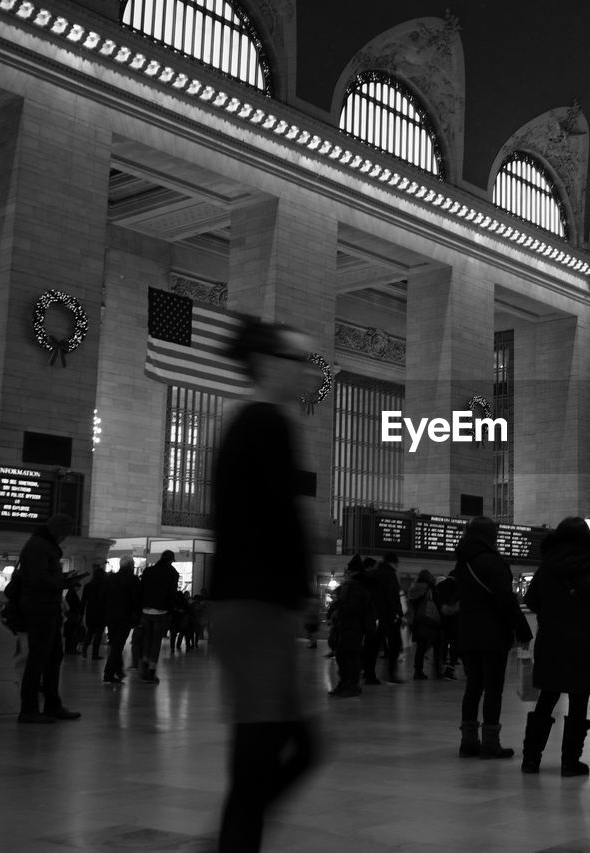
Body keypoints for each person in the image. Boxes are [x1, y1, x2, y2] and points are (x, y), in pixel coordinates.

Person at [209, 318, 321, 853]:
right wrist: (302, 586)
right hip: (256, 607)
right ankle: (232, 842)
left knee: (277, 742)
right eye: (298, 361)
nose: (306, 372)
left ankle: (234, 838)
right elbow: (281, 516)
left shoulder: (254, 422)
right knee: (270, 744)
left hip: (251, 605)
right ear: (269, 365)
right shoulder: (265, 423)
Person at [522, 517, 590, 776]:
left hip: (552, 640)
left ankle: (531, 759)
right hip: (585, 642)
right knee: (579, 700)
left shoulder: (547, 566)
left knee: (547, 697)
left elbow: (531, 600)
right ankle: (570, 761)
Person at [453, 516, 533, 759]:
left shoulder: (462, 564)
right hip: (492, 634)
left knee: (473, 687)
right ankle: (490, 743)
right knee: (493, 689)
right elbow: (506, 600)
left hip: (468, 633)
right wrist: (523, 630)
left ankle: (468, 742)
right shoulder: (493, 562)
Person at [11, 513, 82, 723]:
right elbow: (38, 580)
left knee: (53, 657)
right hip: (39, 608)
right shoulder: (38, 547)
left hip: (47, 607)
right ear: (58, 530)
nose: (65, 538)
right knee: (38, 659)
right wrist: (63, 583)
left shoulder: (42, 545)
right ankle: (29, 709)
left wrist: (62, 581)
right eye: (65, 533)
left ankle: (52, 704)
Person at [328, 555, 373, 698]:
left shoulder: (355, 586)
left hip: (351, 625)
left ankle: (350, 685)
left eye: (348, 570)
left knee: (348, 655)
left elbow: (352, 607)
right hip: (351, 626)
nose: (346, 572)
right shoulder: (359, 585)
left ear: (352, 572)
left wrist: (336, 603)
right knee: (345, 655)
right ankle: (346, 683)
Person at [138, 550, 180, 684]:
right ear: (171, 560)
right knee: (156, 641)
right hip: (161, 612)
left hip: (146, 610)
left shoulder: (148, 571)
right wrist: (171, 610)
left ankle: (144, 664)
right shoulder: (173, 573)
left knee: (147, 638)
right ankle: (151, 670)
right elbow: (172, 595)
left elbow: (142, 589)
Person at [363, 553, 404, 684]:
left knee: (372, 647)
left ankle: (369, 675)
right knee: (394, 645)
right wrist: (399, 614)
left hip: (373, 615)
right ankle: (391, 674)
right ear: (393, 562)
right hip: (388, 616)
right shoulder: (391, 575)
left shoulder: (372, 574)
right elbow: (394, 597)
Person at [102, 556, 140, 684]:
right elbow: (136, 600)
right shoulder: (133, 580)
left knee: (114, 644)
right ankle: (108, 674)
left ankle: (118, 671)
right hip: (125, 617)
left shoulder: (110, 578)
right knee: (117, 646)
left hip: (110, 616)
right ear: (131, 565)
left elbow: (104, 597)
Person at [407, 569, 442, 680]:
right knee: (437, 644)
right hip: (428, 620)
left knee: (420, 647)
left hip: (416, 622)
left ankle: (418, 671)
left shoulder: (413, 588)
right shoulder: (430, 588)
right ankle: (437, 670)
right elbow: (437, 602)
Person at [81, 567, 105, 661]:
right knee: (98, 634)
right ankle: (95, 654)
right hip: (101, 613)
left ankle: (85, 648)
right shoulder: (104, 586)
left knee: (90, 632)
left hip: (90, 612)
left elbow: (83, 601)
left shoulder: (88, 586)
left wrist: (81, 613)